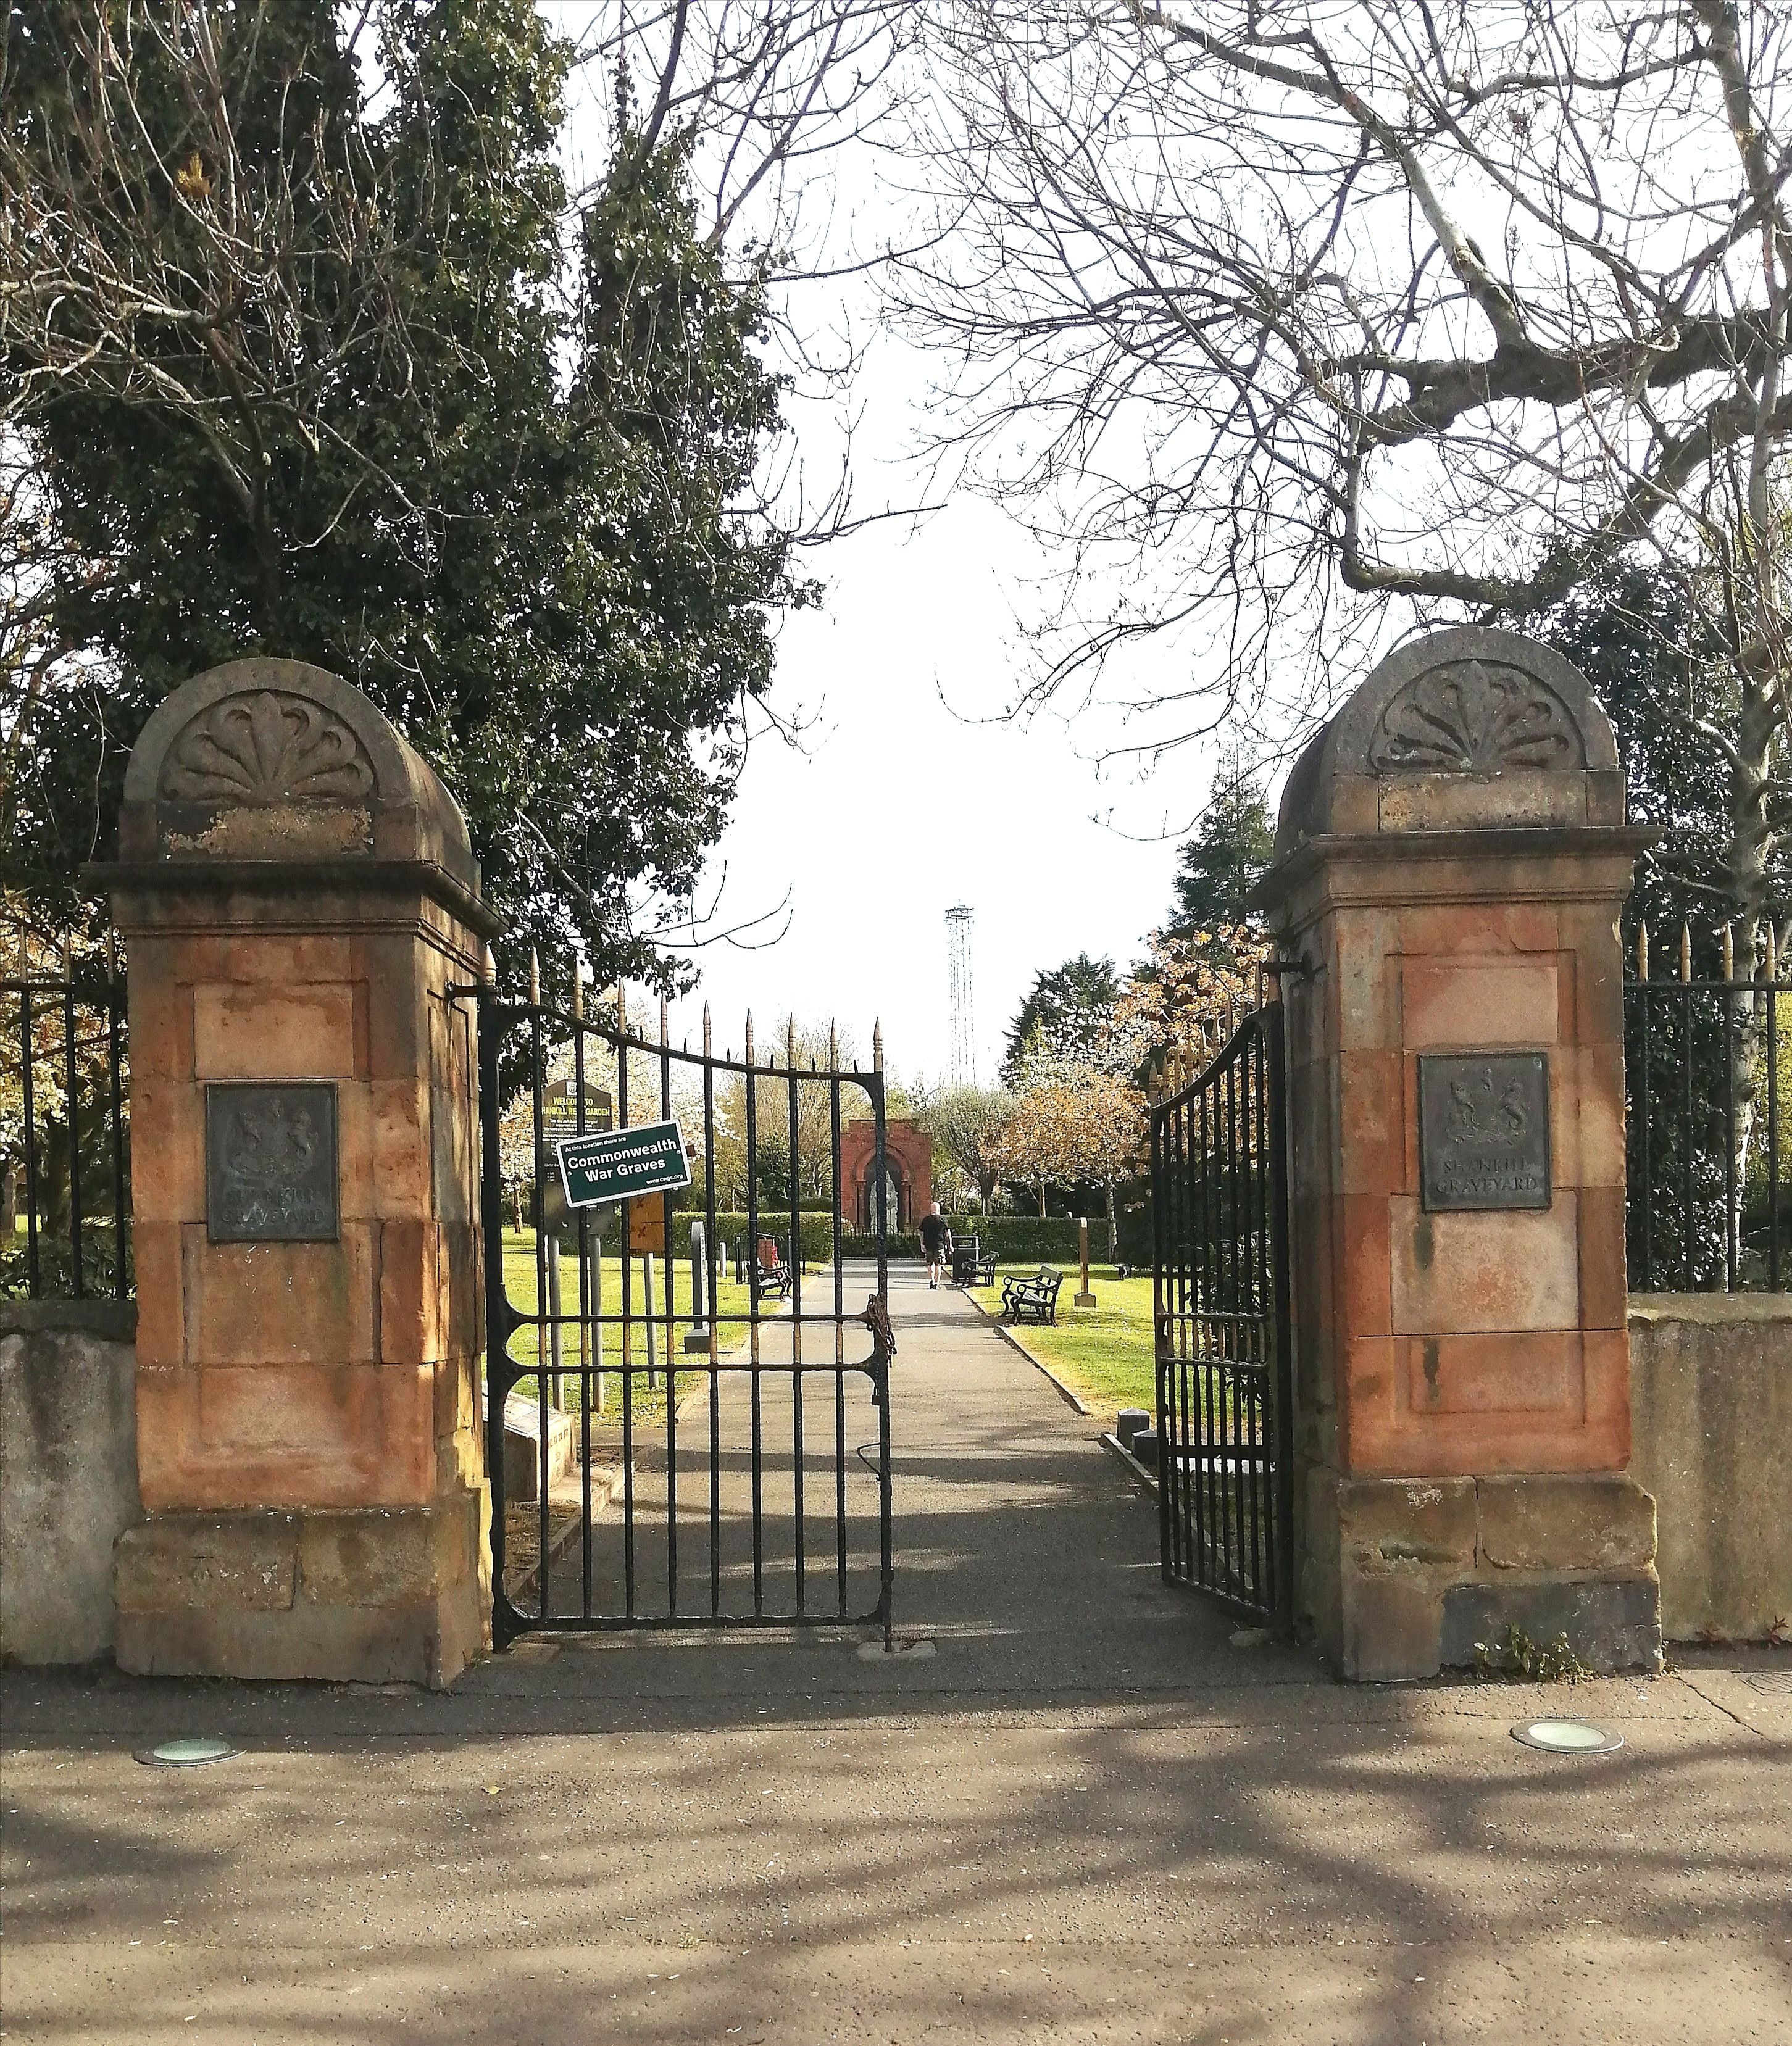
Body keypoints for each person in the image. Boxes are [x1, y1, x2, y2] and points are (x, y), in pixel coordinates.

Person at [919, 1202, 952, 1289]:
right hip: (940, 1245)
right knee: (938, 1264)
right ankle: (937, 1283)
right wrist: (950, 1245)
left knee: (930, 1264)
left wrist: (922, 1244)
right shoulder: (943, 1220)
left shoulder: (926, 1220)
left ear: (931, 1209)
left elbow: (921, 1233)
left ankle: (932, 1280)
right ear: (939, 1210)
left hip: (929, 1245)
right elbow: (948, 1234)